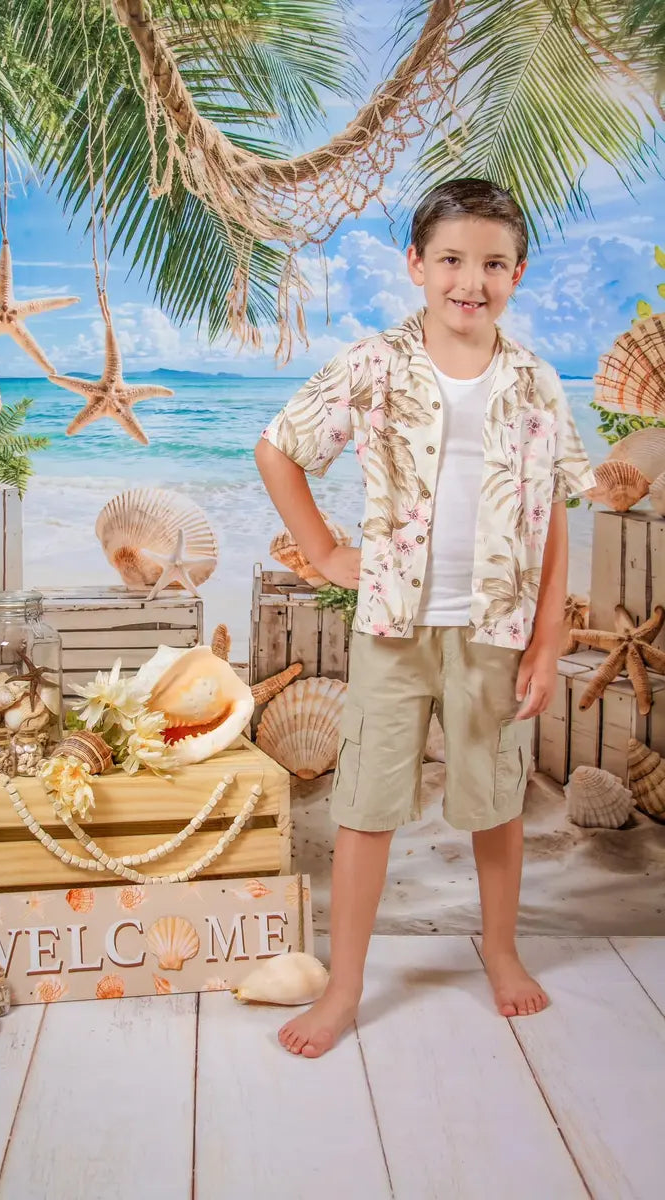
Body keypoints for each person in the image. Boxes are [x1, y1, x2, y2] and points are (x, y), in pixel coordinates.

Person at [254, 177, 596, 1059]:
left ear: (518, 273)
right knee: (365, 805)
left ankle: (504, 951)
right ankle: (345, 984)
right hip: (393, 629)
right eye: (450, 260)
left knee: (496, 801)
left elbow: (555, 511)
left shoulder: (535, 384)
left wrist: (549, 638)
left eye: (491, 263)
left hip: (496, 629)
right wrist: (328, 556)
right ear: (416, 265)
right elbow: (279, 449)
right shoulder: (374, 365)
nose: (468, 281)